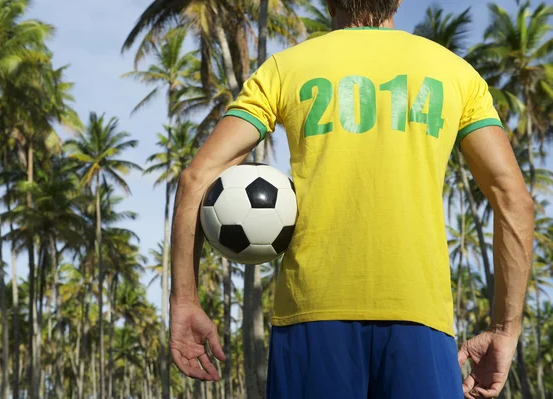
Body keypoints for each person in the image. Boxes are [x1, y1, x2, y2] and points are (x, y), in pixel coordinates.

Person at [168, 0, 535, 398]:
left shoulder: (286, 68)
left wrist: (184, 300)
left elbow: (196, 178)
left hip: (311, 320)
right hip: (422, 321)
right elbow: (513, 200)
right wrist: (505, 329)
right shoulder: (455, 73)